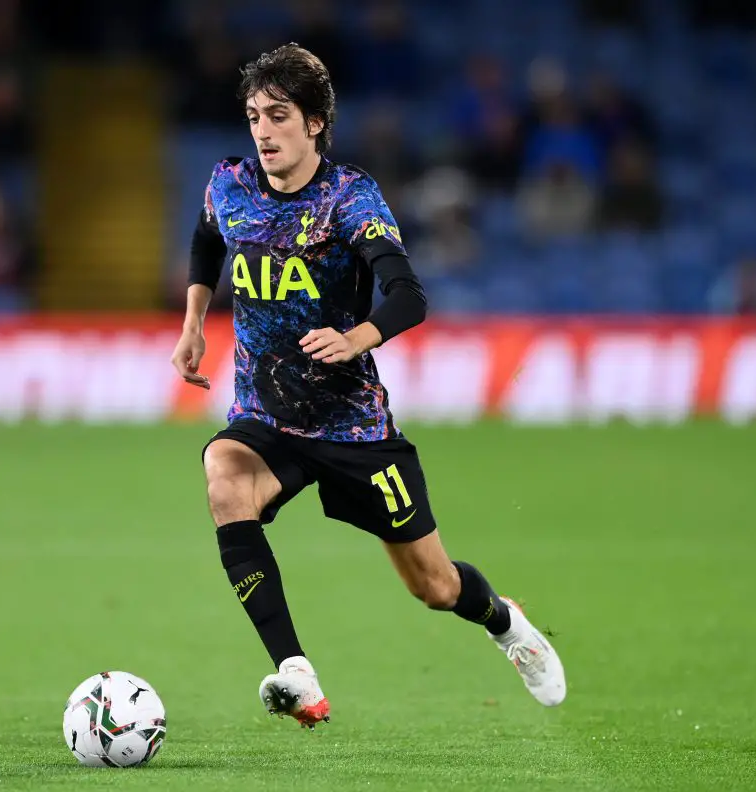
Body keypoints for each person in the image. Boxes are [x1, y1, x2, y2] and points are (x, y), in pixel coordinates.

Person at [169, 43, 566, 729]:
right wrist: (195, 319)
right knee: (223, 475)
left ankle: (506, 622)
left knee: (435, 587)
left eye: (280, 115)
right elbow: (208, 238)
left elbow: (408, 295)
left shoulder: (349, 199)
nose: (263, 130)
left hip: (352, 427)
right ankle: (295, 670)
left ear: (316, 122)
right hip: (267, 415)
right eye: (255, 115)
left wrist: (357, 338)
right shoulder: (228, 183)